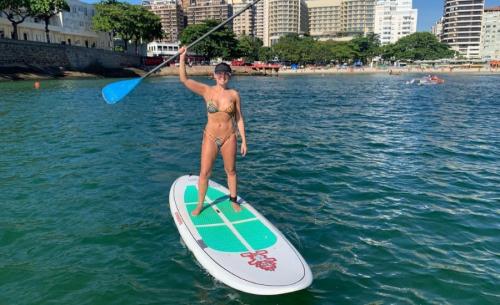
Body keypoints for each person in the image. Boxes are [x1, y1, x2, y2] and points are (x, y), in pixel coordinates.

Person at [178, 47, 248, 216]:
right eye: (219, 74)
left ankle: (233, 200)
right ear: (214, 75)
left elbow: (239, 118)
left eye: (225, 74)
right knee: (204, 172)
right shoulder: (206, 91)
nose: (222, 76)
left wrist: (244, 140)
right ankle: (200, 204)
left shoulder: (234, 94)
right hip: (210, 136)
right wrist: (182, 57)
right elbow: (184, 80)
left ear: (229, 76)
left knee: (231, 170)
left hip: (229, 137)